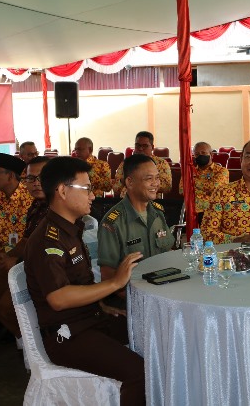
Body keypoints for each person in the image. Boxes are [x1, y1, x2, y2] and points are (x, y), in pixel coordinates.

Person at [25, 157, 145, 405]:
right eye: (87, 188)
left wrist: (101, 305)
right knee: (138, 371)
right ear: (62, 191)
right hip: (67, 336)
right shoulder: (49, 240)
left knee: (151, 332)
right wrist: (113, 283)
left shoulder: (71, 228)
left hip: (89, 320)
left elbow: (79, 282)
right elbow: (58, 299)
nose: (93, 195)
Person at [0, 156, 50, 343]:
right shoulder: (36, 205)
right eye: (30, 178)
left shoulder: (58, 205)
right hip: (21, 259)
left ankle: (38, 342)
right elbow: (27, 240)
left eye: (42, 177)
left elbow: (50, 251)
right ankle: (26, 337)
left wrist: (17, 262)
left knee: (6, 304)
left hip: (47, 268)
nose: (35, 184)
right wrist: (7, 256)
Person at [98, 154, 174, 308]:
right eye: (149, 179)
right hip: (133, 301)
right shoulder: (113, 222)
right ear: (130, 182)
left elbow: (168, 253)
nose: (156, 184)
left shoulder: (158, 213)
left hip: (163, 294)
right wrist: (143, 302)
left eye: (157, 178)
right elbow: (108, 277)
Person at [178, 141, 229, 226]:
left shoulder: (221, 171)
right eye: (197, 154)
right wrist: (206, 190)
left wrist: (192, 185)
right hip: (191, 210)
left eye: (203, 153)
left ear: (211, 154)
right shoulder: (189, 172)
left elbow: (215, 188)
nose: (200, 155)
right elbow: (182, 189)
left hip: (213, 210)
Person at [113, 131, 172, 197]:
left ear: (152, 147)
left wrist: (144, 183)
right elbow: (115, 188)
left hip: (151, 201)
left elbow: (167, 187)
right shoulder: (126, 163)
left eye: (145, 146)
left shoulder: (161, 164)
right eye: (138, 145)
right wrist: (123, 181)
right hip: (127, 201)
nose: (140, 149)